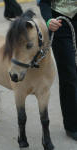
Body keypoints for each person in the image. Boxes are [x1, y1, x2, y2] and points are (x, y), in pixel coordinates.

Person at [38, 0, 77, 140]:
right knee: (69, 76)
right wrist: (49, 20)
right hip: (61, 24)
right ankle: (72, 125)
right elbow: (43, 3)